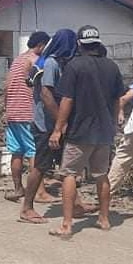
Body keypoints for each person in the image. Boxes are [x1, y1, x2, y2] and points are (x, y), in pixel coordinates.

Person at [49, 25, 125, 238]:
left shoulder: (75, 66)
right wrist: (117, 118)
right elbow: (118, 97)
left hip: (80, 131)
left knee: (69, 174)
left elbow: (67, 100)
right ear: (98, 43)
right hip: (104, 132)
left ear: (79, 44)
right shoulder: (112, 67)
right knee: (101, 175)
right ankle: (104, 218)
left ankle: (66, 224)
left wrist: (57, 129)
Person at [19, 29, 79, 224]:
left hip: (54, 124)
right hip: (46, 124)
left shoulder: (57, 63)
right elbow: (46, 95)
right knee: (41, 166)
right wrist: (60, 124)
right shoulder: (51, 63)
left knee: (68, 166)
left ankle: (76, 204)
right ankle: (27, 208)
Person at [3, 31, 53, 202]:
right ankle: (39, 192)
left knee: (17, 152)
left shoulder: (17, 61)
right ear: (41, 45)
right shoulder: (36, 62)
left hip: (12, 113)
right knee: (34, 153)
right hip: (28, 113)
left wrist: (7, 109)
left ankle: (18, 189)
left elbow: (7, 86)